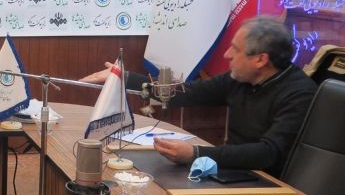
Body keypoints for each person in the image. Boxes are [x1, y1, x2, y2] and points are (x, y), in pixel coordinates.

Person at [81, 16, 316, 178]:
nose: (226, 54)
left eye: (235, 49)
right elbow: (186, 93)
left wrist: (196, 154)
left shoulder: (299, 94)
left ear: (260, 60)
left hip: (269, 185)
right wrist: (124, 77)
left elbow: (268, 154)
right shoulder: (239, 79)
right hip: (230, 172)